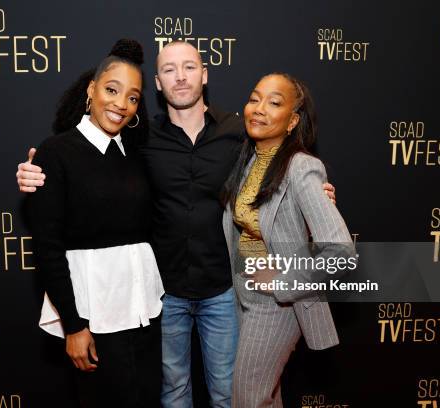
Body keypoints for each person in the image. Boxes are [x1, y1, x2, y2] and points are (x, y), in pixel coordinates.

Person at [18, 41, 336, 408]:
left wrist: (315, 194)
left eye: (189, 67)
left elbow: (278, 161)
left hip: (223, 290)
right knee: (172, 394)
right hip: (163, 295)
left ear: (204, 74)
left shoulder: (240, 132)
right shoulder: (140, 139)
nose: (180, 77)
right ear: (157, 83)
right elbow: (88, 162)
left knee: (229, 394)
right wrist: (33, 169)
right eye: (169, 70)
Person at [27, 39, 164, 408]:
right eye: (112, 90)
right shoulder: (56, 152)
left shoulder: (133, 154)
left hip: (145, 313)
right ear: (92, 89)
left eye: (133, 97)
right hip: (96, 317)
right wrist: (73, 325)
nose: (121, 104)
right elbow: (49, 247)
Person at [221, 72, 356, 407]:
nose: (259, 108)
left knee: (248, 399)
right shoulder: (249, 160)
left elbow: (342, 254)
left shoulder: (302, 168)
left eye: (274, 102)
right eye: (255, 99)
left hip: (278, 303)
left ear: (293, 120)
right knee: (266, 395)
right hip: (244, 294)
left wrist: (283, 280)